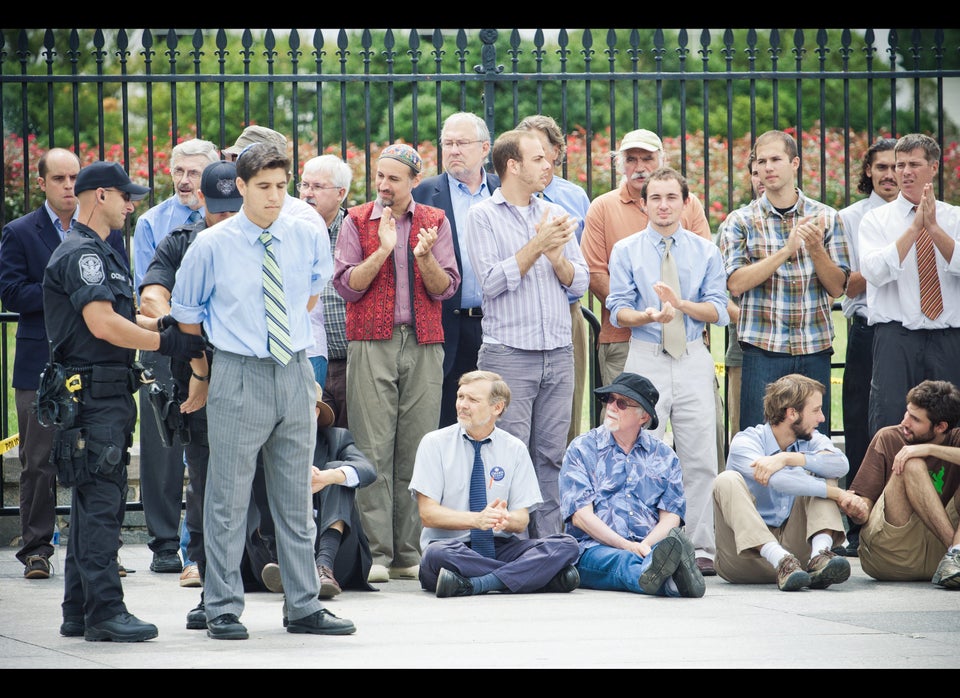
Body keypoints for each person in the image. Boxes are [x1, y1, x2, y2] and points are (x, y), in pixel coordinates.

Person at [171, 142, 355, 639]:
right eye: (264, 188)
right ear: (242, 188)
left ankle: (303, 606)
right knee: (228, 498)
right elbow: (186, 317)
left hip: (294, 370)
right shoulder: (212, 245)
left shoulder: (306, 233)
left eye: (281, 186)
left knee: (296, 497)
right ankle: (222, 607)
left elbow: (312, 293)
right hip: (238, 371)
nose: (275, 197)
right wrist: (206, 373)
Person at [42, 160, 206, 641]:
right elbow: (103, 325)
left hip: (104, 392)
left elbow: (125, 315)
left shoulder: (102, 252)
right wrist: (166, 344)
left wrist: (164, 326)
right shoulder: (83, 255)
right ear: (100, 197)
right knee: (102, 505)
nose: (130, 204)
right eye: (123, 195)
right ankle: (106, 613)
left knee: (93, 500)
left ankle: (78, 609)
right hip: (93, 396)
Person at [332, 142, 460, 584]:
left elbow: (445, 289)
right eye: (380, 176)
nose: (384, 185)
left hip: (424, 341)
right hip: (371, 341)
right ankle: (377, 553)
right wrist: (384, 250)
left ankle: (408, 551)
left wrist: (423, 257)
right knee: (372, 446)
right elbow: (347, 287)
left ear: (413, 183)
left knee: (417, 446)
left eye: (394, 178)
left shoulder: (435, 221)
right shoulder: (355, 220)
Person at [0, 148, 126, 580]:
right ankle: (37, 548)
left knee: (100, 456)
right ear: (42, 183)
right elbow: (12, 293)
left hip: (94, 362)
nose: (69, 186)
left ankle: (104, 547)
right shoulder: (20, 232)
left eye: (75, 178)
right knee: (38, 460)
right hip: (40, 362)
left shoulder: (109, 230)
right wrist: (68, 289)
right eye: (59, 178)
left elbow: (117, 289)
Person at [463, 128, 589, 538]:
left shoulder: (553, 215)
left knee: (551, 455)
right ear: (512, 166)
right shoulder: (482, 215)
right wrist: (537, 247)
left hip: (557, 351)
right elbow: (490, 283)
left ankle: (549, 545)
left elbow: (580, 282)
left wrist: (557, 259)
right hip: (508, 356)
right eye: (538, 159)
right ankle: (507, 546)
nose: (548, 164)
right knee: (507, 455)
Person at [605, 166, 729, 576]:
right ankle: (640, 540)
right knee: (638, 451)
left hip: (692, 355)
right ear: (643, 203)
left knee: (700, 456)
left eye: (671, 197)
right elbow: (617, 309)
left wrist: (681, 306)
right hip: (645, 355)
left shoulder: (705, 251)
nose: (663, 205)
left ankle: (700, 546)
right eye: (655, 197)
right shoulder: (625, 250)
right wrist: (646, 315)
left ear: (685, 202)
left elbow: (719, 310)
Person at [137, 159, 243, 628]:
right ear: (202, 201)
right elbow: (152, 294)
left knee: (258, 483)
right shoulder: (182, 241)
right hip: (198, 374)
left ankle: (251, 575)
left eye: (232, 208)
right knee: (204, 481)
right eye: (217, 209)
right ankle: (209, 584)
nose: (225, 217)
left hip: (251, 371)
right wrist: (180, 326)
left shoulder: (263, 238)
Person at [719, 129, 851, 434]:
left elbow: (837, 287)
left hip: (813, 347)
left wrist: (815, 249)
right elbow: (736, 283)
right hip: (762, 349)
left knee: (813, 443)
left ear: (795, 163)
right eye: (761, 160)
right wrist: (787, 250)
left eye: (776, 159)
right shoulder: (739, 221)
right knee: (759, 444)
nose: (768, 167)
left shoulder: (827, 217)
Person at [409, 370, 581, 597]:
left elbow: (521, 521)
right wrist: (477, 520)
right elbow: (428, 514)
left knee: (567, 545)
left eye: (473, 400)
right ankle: (537, 578)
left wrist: (506, 519)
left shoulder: (515, 448)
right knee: (435, 556)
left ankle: (476, 584)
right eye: (460, 397)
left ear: (497, 408)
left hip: (500, 547)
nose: (462, 405)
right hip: (453, 548)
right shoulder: (434, 443)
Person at [132, 137, 220, 575]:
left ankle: (215, 551)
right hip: (164, 349)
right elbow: (150, 293)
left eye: (194, 173)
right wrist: (177, 332)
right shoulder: (154, 224)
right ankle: (165, 544)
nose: (185, 181)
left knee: (209, 452)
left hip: (215, 352)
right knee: (163, 448)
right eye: (179, 172)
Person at [580, 128, 711, 386]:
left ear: (662, 160)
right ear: (621, 165)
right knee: (627, 423)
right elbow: (594, 275)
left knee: (703, 422)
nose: (639, 167)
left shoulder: (689, 204)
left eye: (647, 158)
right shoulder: (602, 207)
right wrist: (645, 316)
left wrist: (674, 312)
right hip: (623, 341)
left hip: (687, 338)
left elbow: (705, 269)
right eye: (631, 159)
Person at [559, 371, 705, 597]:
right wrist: (628, 547)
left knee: (662, 551)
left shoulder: (665, 456)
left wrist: (644, 546)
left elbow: (671, 517)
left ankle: (667, 573)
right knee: (623, 561)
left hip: (651, 547)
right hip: (594, 550)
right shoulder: (581, 449)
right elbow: (580, 516)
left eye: (622, 403)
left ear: (643, 417)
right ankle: (673, 584)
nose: (612, 407)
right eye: (609, 400)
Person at [859, 133, 960, 438]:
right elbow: (874, 272)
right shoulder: (876, 220)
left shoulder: (954, 217)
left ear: (933, 167)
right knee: (890, 421)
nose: (904, 172)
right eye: (900, 165)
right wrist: (915, 228)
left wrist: (933, 227)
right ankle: (891, 485)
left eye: (914, 164)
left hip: (947, 337)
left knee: (951, 426)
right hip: (896, 337)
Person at [712, 374, 852, 591]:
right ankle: (780, 559)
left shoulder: (810, 439)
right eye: (815, 410)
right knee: (725, 480)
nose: (822, 418)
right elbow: (778, 480)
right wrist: (836, 494)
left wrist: (788, 458)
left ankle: (819, 558)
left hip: (799, 561)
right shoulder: (746, 442)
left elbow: (841, 465)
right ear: (792, 413)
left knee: (826, 471)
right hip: (747, 557)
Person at [243, 382, 379, 599]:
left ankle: (324, 566)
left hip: (335, 555)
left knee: (337, 471)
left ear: (316, 413)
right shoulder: (262, 443)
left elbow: (368, 471)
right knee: (260, 470)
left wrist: (326, 478)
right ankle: (283, 563)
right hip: (269, 559)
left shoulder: (337, 438)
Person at [412, 112, 500, 429]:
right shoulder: (422, 194)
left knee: (494, 415)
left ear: (485, 148)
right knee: (446, 420)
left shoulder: (503, 192)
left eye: (462, 143)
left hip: (495, 324)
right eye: (447, 143)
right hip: (443, 323)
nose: (453, 150)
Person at [835, 137, 899, 556]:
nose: (891, 175)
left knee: (906, 424)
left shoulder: (928, 216)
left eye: (898, 166)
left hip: (908, 330)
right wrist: (889, 257)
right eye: (882, 168)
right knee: (859, 425)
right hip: (865, 328)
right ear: (868, 172)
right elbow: (844, 283)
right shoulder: (850, 218)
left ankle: (902, 522)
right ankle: (858, 527)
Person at [837, 380, 960, 589]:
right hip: (895, 550)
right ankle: (955, 552)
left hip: (939, 555)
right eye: (907, 413)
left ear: (941, 427)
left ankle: (955, 555)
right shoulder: (887, 437)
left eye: (915, 419)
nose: (905, 422)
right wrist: (857, 509)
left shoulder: (955, 438)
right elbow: (864, 504)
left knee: (912, 458)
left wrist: (928, 449)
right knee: (910, 465)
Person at [516, 114, 592, 445]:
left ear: (557, 152)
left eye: (540, 149)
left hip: (566, 312)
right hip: (516, 315)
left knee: (565, 417)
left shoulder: (574, 199)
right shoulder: (501, 195)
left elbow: (583, 265)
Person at [299, 153, 353, 427]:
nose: (308, 193)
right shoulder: (291, 229)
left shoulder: (355, 229)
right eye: (304, 185)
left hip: (349, 361)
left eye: (317, 187)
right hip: (306, 357)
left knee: (348, 439)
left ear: (341, 193)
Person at [722, 155, 762, 445]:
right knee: (745, 436)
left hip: (799, 349)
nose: (762, 178)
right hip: (744, 348)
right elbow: (718, 292)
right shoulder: (736, 223)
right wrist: (750, 319)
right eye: (756, 172)